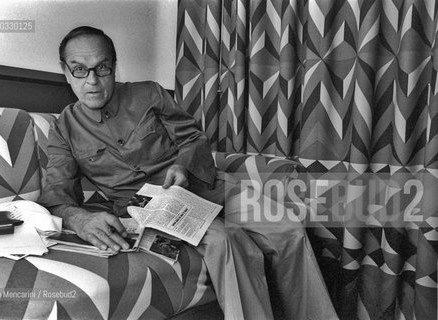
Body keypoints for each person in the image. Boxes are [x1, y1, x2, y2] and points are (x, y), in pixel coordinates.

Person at [38, 26, 338, 320]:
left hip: (203, 183)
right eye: (79, 70)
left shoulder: (149, 93)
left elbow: (192, 138)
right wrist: (80, 219)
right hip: (148, 210)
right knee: (228, 241)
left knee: (288, 230)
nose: (92, 80)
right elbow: (56, 194)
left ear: (114, 68)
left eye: (101, 68)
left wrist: (183, 164)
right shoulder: (63, 129)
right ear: (66, 72)